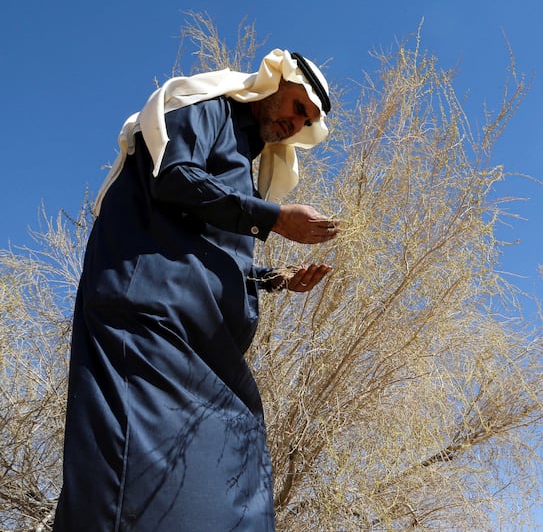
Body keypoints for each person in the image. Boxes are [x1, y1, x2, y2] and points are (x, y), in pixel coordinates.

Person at [53, 49, 338, 531]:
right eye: (297, 106)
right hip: (147, 321)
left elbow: (207, 246)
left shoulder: (243, 170)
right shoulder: (205, 107)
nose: (296, 122)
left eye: (307, 120)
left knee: (236, 467)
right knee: (133, 477)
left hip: (206, 348)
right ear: (274, 84)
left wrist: (275, 279)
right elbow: (175, 178)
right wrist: (274, 220)